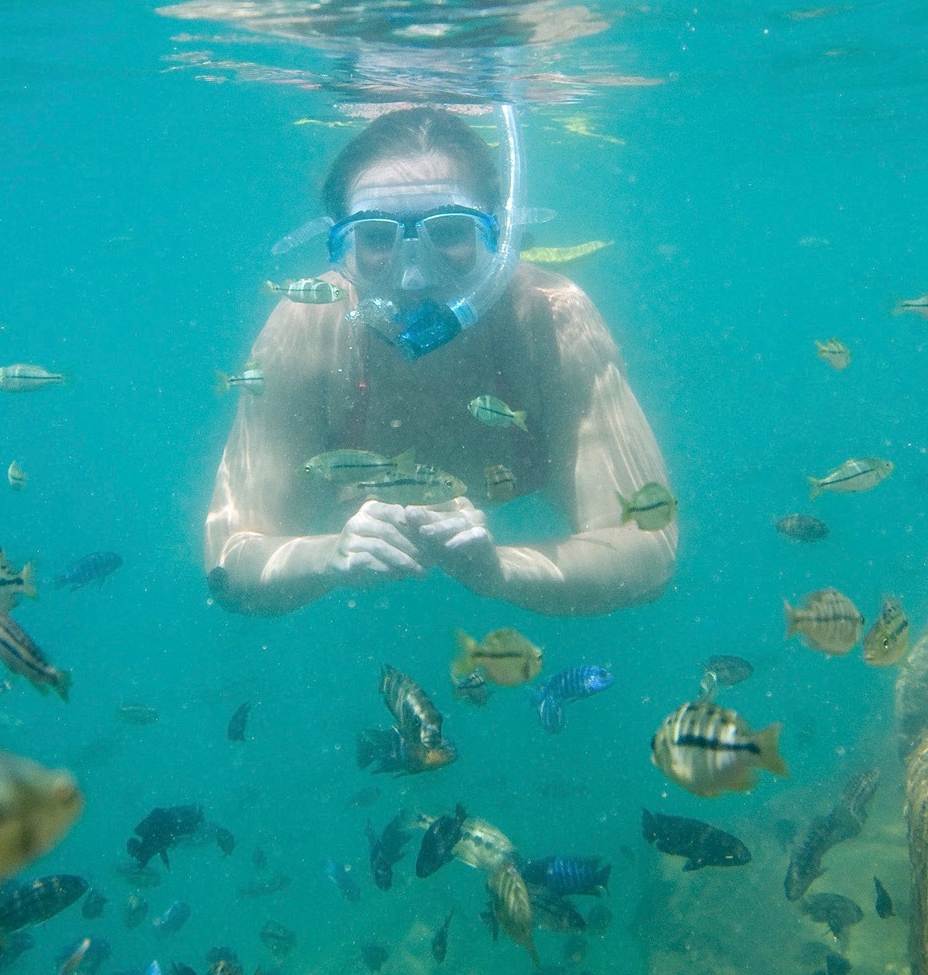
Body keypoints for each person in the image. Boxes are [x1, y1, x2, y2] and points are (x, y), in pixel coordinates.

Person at [205, 106, 674, 617]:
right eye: (377, 237)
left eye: (449, 231)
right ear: (342, 244)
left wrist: (503, 570)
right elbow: (229, 563)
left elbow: (647, 550)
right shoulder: (308, 325)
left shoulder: (550, 319)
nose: (413, 278)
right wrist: (328, 556)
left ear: (499, 234)